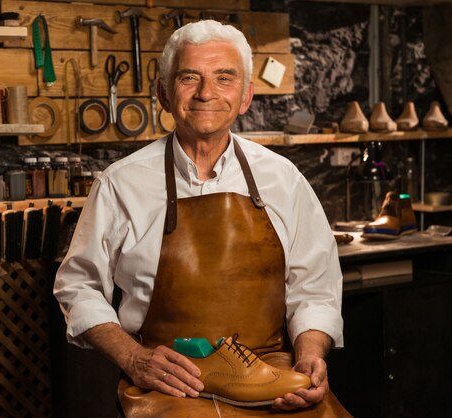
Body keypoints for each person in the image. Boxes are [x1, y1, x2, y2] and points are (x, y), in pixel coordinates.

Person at [54, 20, 350, 417]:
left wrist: (310, 357)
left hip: (270, 373)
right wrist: (134, 358)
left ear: (245, 97)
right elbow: (79, 287)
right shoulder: (120, 184)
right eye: (189, 77)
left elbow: (315, 288)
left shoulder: (283, 179)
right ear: (163, 93)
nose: (207, 92)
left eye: (224, 78)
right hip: (172, 379)